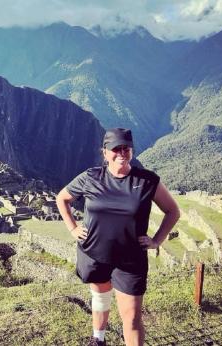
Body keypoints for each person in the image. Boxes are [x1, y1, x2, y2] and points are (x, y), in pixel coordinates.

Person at [56, 128, 180, 346]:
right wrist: (73, 228)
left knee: (131, 318)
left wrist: (157, 240)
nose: (121, 153)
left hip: (130, 260)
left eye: (126, 148)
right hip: (94, 254)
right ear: (105, 152)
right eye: (116, 149)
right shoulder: (90, 177)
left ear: (131, 151)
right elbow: (62, 199)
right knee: (100, 299)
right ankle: (99, 339)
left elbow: (173, 211)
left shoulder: (147, 181)